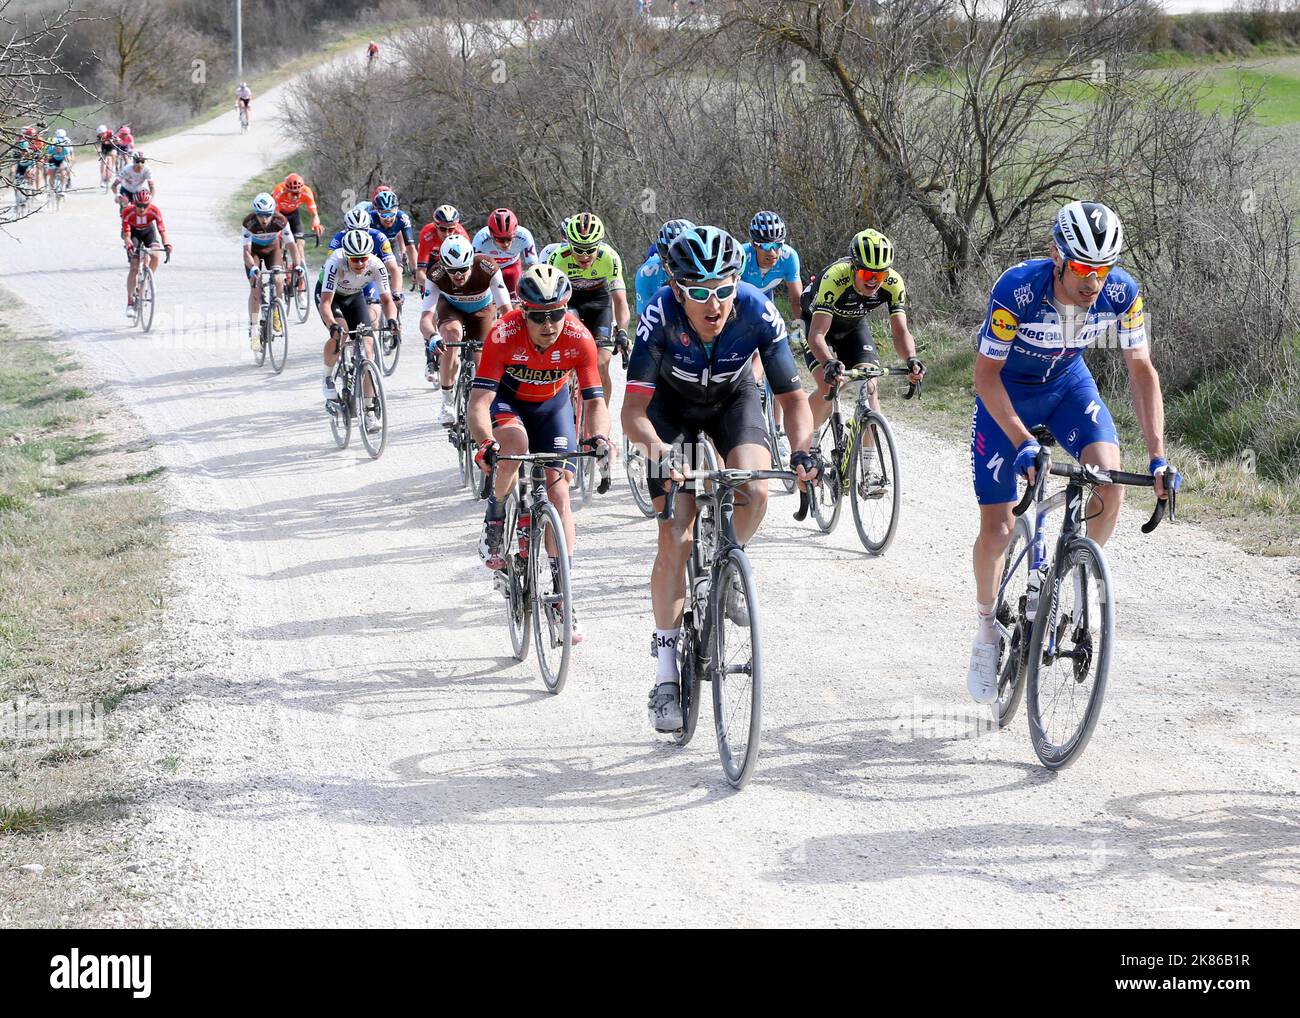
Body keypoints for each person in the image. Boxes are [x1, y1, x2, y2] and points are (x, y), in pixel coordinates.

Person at [965, 201, 1180, 703]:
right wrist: (1022, 441)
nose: (1094, 282)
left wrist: (1157, 456)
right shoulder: (1017, 289)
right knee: (997, 528)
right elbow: (984, 377)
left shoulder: (1123, 293)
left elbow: (1142, 370)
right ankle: (984, 630)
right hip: (1008, 392)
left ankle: (1073, 574)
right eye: (1083, 268)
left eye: (1103, 269)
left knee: (1108, 481)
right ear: (1057, 257)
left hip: (1067, 387)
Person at [621, 225, 818, 732]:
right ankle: (666, 674)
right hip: (671, 412)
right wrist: (661, 454)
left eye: (724, 289)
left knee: (754, 489)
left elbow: (793, 400)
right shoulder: (658, 316)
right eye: (700, 293)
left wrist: (802, 449)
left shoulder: (756, 310)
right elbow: (633, 413)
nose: (715, 304)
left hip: (733, 400)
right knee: (676, 535)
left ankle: (730, 557)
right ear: (675, 286)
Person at [470, 263, 611, 643]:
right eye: (539, 316)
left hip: (553, 409)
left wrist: (599, 438)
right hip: (509, 404)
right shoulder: (503, 334)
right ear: (523, 312)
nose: (549, 324)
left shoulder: (579, 338)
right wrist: (486, 442)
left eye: (557, 314)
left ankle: (563, 594)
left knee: (560, 491)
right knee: (513, 448)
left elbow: (594, 400)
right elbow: (479, 401)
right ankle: (496, 515)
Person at [801, 228, 924, 435]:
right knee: (829, 386)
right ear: (853, 267)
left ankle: (868, 465)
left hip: (852, 326)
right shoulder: (835, 278)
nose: (874, 281)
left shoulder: (894, 283)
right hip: (816, 325)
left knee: (869, 387)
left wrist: (911, 359)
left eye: (881, 275)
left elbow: (901, 331)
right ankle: (806, 441)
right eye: (867, 274)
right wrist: (829, 362)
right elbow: (817, 335)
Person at [420, 235, 512, 425]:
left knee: (481, 360)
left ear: (471, 262)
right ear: (444, 266)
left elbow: (506, 311)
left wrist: (507, 333)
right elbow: (425, 319)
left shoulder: (487, 267)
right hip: (451, 308)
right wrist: (433, 336)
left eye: (463, 269)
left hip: (482, 310)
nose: (458, 275)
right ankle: (446, 400)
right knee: (451, 335)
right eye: (452, 271)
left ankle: (484, 407)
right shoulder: (436, 274)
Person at [318, 230, 400, 433]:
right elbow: (325, 303)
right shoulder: (335, 263)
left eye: (363, 258)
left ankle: (369, 408)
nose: (361, 264)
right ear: (347, 256)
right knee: (342, 333)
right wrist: (332, 325)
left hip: (354, 297)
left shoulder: (376, 265)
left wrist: (391, 320)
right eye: (355, 260)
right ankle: (327, 376)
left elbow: (387, 300)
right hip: (332, 298)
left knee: (368, 348)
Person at [545, 212, 630, 404]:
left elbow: (620, 300)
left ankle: (601, 421)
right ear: (568, 243)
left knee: (601, 364)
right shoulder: (557, 258)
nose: (584, 256)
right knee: (566, 361)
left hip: (599, 305)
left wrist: (623, 331)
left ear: (599, 244)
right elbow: (548, 300)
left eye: (590, 249)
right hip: (570, 303)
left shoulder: (609, 258)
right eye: (578, 249)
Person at [741, 210, 804, 451]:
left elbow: (796, 300)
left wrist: (799, 333)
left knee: (780, 368)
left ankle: (777, 432)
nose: (772, 252)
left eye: (777, 244)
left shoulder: (789, 257)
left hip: (766, 304)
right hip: (740, 307)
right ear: (753, 244)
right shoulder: (741, 257)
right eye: (765, 246)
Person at [242, 192, 291, 349]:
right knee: (255, 288)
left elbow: (292, 245)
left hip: (272, 250)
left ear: (273, 213)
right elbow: (247, 252)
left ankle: (277, 310)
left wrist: (298, 265)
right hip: (254, 253)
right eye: (260, 215)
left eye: (267, 215)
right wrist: (254, 267)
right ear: (255, 213)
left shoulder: (280, 220)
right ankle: (254, 326)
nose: (264, 219)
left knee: (278, 279)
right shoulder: (249, 222)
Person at [120, 189, 172, 319]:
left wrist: (167, 244)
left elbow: (162, 229)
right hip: (134, 234)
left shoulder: (154, 210)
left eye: (145, 206)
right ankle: (130, 302)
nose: (142, 208)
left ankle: (148, 280)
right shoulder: (127, 212)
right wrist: (128, 243)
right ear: (134, 203)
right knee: (134, 266)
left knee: (155, 255)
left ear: (149, 204)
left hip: (148, 231)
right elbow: (126, 234)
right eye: (139, 205)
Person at [634, 218, 694, 318]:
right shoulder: (646, 275)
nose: (678, 267)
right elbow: (643, 320)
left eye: (684, 260)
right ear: (661, 257)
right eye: (670, 262)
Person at [472, 207, 537, 299]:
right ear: (491, 235)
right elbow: (472, 268)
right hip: (488, 268)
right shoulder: (481, 239)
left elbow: (533, 267)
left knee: (515, 297)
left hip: (511, 266)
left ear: (515, 232)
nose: (505, 244)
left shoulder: (525, 236)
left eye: (509, 238)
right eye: (500, 239)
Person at [415, 203, 471, 303]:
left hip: (452, 264)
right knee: (431, 300)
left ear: (456, 226)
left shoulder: (462, 236)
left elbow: (469, 267)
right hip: (432, 263)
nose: (447, 233)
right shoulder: (427, 235)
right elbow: (420, 273)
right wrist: (430, 286)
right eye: (443, 229)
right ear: (435, 225)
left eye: (451, 229)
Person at [368, 189, 418, 295]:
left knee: (398, 269)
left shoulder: (402, 218)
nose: (388, 219)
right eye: (384, 215)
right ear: (377, 211)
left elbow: (410, 247)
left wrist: (415, 270)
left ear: (397, 210)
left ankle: (397, 296)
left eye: (391, 214)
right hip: (373, 245)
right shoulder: (369, 218)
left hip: (391, 243)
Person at [271, 172, 323, 270]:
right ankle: (278, 269)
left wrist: (316, 223)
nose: (295, 197)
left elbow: (314, 213)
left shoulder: (306, 191)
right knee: (279, 242)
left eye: (297, 193)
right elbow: (275, 213)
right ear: (286, 190)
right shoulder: (279, 190)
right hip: (279, 214)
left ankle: (300, 272)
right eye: (292, 194)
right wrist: (279, 231)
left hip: (294, 215)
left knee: (300, 243)